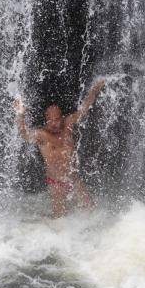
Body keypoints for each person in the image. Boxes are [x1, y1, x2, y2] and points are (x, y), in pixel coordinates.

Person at [14, 79, 105, 218]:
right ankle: (39, 221)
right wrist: (20, 114)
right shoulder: (42, 134)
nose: (55, 123)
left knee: (91, 209)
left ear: (61, 117)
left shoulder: (68, 124)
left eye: (57, 119)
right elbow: (24, 134)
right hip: (56, 183)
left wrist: (94, 89)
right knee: (59, 219)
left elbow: (84, 108)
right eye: (51, 120)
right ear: (46, 120)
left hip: (72, 178)